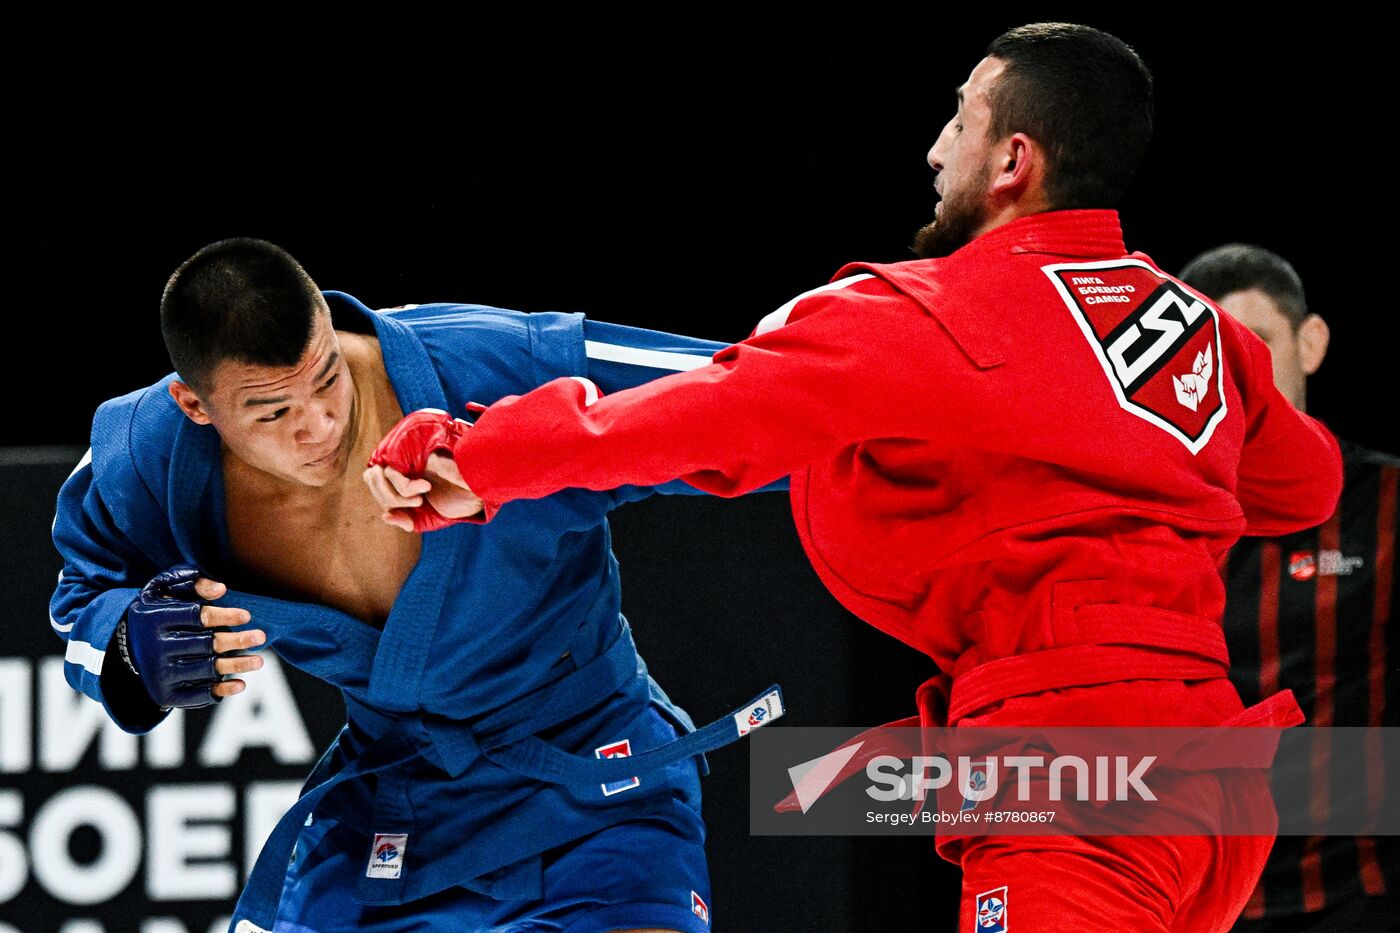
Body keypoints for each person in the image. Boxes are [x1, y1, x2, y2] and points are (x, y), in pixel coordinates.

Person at [364, 23, 1344, 932]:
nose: (935, 150)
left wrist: (479, 458)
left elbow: (700, 415)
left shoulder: (925, 314)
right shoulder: (1192, 326)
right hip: (1217, 776)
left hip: (1071, 763)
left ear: (1013, 161)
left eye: (960, 119)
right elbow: (1306, 486)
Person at [49, 238, 787, 933]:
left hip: (596, 783)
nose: (320, 424)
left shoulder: (494, 365)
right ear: (194, 404)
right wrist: (124, 648)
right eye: (273, 411)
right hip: (387, 809)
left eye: (327, 377)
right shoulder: (144, 455)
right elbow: (81, 596)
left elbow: (755, 400)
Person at [1180, 244, 1397, 933]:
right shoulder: (1156, 521)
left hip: (1357, 899)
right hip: (1194, 899)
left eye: (1256, 344)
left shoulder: (1386, 501)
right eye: (1211, 351)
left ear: (1311, 343)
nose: (1235, 373)